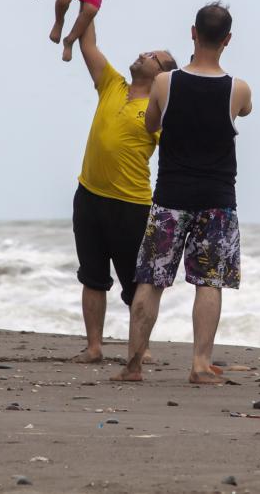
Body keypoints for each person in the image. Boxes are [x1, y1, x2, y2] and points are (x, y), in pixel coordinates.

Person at [113, 2, 252, 384]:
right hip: (217, 199)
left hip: (170, 195)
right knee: (209, 282)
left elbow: (151, 125)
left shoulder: (164, 83)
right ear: (227, 40)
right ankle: (200, 364)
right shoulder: (237, 89)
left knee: (151, 279)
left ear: (193, 32)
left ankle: (134, 364)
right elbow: (246, 111)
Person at [69, 20, 177, 362]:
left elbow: (175, 154)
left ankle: (139, 350)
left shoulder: (159, 110)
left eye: (153, 57)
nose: (143, 55)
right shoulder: (112, 84)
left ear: (162, 75)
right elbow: (88, 45)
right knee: (92, 277)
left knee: (137, 286)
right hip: (89, 196)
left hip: (131, 205)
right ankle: (94, 347)